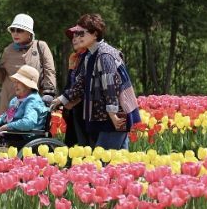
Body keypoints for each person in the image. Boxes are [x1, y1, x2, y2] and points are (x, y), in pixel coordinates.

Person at [51, 14, 141, 150]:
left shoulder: (104, 55)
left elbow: (111, 87)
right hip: (103, 117)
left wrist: (113, 115)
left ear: (95, 34)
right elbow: (81, 83)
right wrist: (62, 99)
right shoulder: (90, 55)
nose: (77, 37)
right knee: (118, 159)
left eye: (81, 33)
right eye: (76, 33)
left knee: (104, 159)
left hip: (114, 118)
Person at [0, 13, 56, 111]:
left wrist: (48, 94)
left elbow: (49, 71)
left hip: (34, 103)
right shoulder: (8, 50)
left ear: (29, 33)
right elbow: (0, 78)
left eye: (19, 30)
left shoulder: (41, 46)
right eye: (12, 30)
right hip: (10, 104)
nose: (15, 33)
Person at [59, 37, 91, 147]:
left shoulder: (89, 57)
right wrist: (64, 100)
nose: (74, 39)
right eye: (72, 37)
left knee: (83, 145)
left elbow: (84, 85)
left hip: (84, 108)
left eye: (78, 36)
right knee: (72, 145)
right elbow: (70, 83)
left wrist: (68, 100)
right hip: (72, 107)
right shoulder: (74, 58)